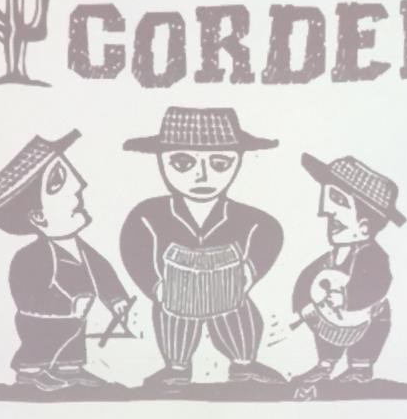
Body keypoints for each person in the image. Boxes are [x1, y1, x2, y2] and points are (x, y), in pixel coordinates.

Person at [120, 106, 284, 388]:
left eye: (220, 163)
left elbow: (270, 232)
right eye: (183, 163)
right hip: (175, 291)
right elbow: (134, 247)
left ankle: (244, 364)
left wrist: (249, 272)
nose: (202, 176)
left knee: (236, 316)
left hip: (228, 290)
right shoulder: (149, 214)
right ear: (161, 160)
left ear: (238, 161)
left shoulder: (245, 217)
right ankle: (176, 368)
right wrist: (155, 287)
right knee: (174, 319)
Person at [0, 130, 130, 391]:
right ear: (38, 217)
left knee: (72, 343)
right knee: (41, 345)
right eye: (58, 182)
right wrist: (64, 307)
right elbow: (26, 297)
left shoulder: (83, 250)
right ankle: (31, 372)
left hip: (76, 319)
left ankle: (70, 369)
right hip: (42, 322)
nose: (79, 186)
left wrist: (115, 298)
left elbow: (102, 273)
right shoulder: (28, 258)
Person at [292, 153, 406, 386]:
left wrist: (347, 297)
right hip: (331, 322)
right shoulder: (330, 258)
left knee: (377, 317)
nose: (325, 212)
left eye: (338, 200)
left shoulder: (374, 257)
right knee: (322, 321)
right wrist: (301, 306)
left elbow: (378, 283)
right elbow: (307, 278)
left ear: (364, 227)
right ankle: (325, 365)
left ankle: (360, 367)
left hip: (363, 318)